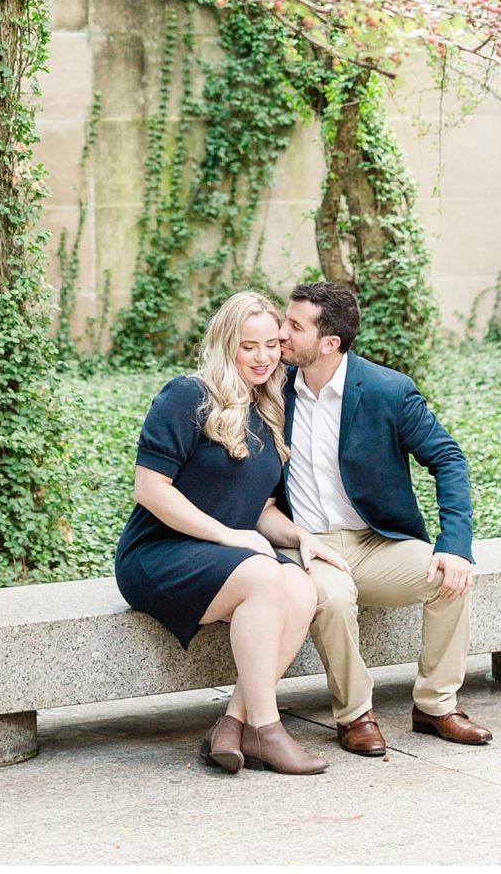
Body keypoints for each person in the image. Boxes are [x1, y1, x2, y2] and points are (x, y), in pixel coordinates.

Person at [115, 289, 353, 775]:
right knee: (268, 578)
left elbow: (259, 507)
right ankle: (267, 730)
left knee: (300, 587)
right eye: (250, 346)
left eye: (272, 345)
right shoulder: (187, 396)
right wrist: (228, 535)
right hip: (159, 554)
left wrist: (300, 536)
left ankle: (232, 723)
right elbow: (150, 489)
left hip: (226, 559)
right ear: (228, 345)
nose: (264, 357)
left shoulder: (267, 410)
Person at [276, 280, 493, 755]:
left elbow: (448, 459)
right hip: (302, 544)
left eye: (294, 325)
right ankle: (354, 716)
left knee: (448, 577)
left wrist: (454, 545)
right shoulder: (270, 389)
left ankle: (437, 706)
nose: (281, 333)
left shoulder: (387, 391)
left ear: (329, 342)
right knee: (331, 599)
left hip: (375, 542)